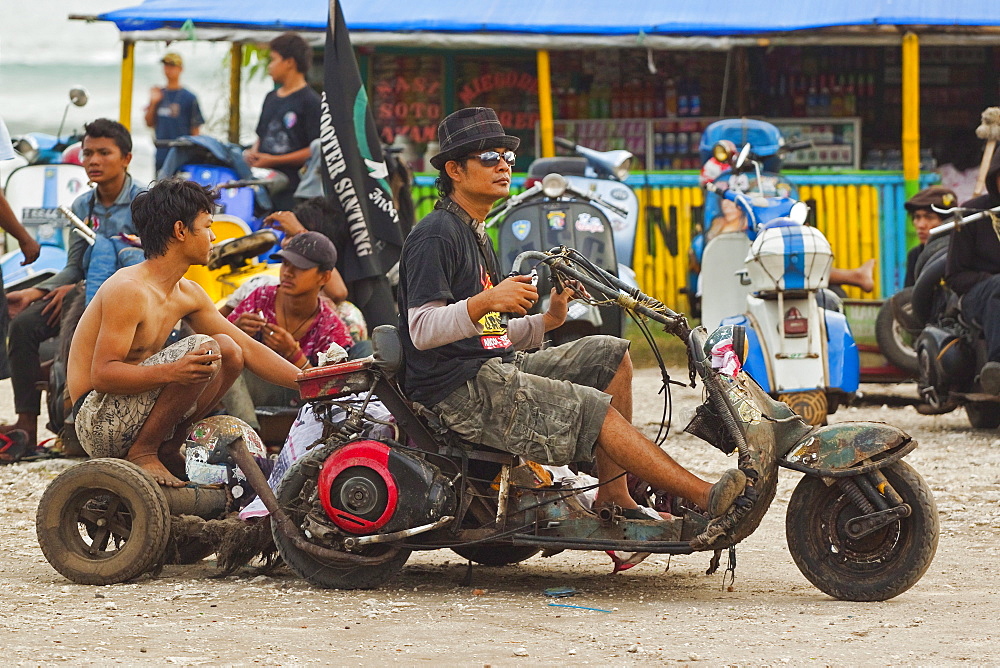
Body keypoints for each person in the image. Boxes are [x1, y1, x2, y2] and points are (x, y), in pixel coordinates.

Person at [397, 107, 746, 520]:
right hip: (458, 392)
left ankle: (614, 496)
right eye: (488, 158)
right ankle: (708, 497)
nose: (503, 166)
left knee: (610, 353)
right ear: (454, 169)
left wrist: (547, 321)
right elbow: (421, 330)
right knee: (589, 407)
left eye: (506, 158)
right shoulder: (436, 234)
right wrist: (487, 301)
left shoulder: (475, 233)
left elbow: (489, 334)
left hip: (491, 367)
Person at [67, 178, 300, 486]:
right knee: (207, 347)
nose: (214, 236)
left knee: (229, 349)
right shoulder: (129, 289)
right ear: (180, 231)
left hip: (133, 412)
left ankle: (166, 447)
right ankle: (144, 452)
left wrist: (308, 382)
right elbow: (103, 375)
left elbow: (247, 348)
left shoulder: (187, 292)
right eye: (207, 227)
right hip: (95, 420)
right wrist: (173, 371)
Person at [3, 119, 145, 447]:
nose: (93, 161)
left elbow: (150, 265)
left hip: (127, 296)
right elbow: (72, 267)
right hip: (82, 290)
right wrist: (35, 291)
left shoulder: (144, 202)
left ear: (126, 158)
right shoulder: (83, 205)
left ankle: (76, 418)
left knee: (77, 313)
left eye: (103, 153)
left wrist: (76, 288)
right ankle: (26, 424)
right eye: (87, 153)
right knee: (23, 325)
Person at [222, 232, 354, 430]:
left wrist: (296, 356)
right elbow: (217, 345)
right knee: (226, 352)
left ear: (324, 276)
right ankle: (250, 443)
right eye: (285, 264)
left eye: (300, 267)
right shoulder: (260, 297)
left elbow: (335, 394)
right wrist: (235, 331)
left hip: (305, 413)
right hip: (254, 399)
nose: (288, 273)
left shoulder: (332, 328)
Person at [243, 32, 321, 211]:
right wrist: (253, 154)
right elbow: (261, 136)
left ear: (289, 62)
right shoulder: (271, 97)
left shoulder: (311, 102)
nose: (269, 66)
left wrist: (274, 160)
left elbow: (315, 149)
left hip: (291, 190)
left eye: (273, 60)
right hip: (262, 183)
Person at [946, 149, 1000, 394]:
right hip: (977, 295)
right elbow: (955, 276)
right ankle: (997, 365)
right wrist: (989, 281)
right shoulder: (971, 213)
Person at [145, 52, 204, 174]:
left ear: (181, 69)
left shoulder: (189, 97)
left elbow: (195, 131)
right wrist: (153, 102)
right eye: (166, 66)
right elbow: (149, 123)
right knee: (160, 189)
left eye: (172, 66)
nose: (168, 70)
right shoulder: (158, 94)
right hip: (161, 153)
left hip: (182, 155)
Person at [903, 186, 956, 287]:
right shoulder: (915, 255)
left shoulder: (959, 253)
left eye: (929, 217)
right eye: (917, 217)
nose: (921, 225)